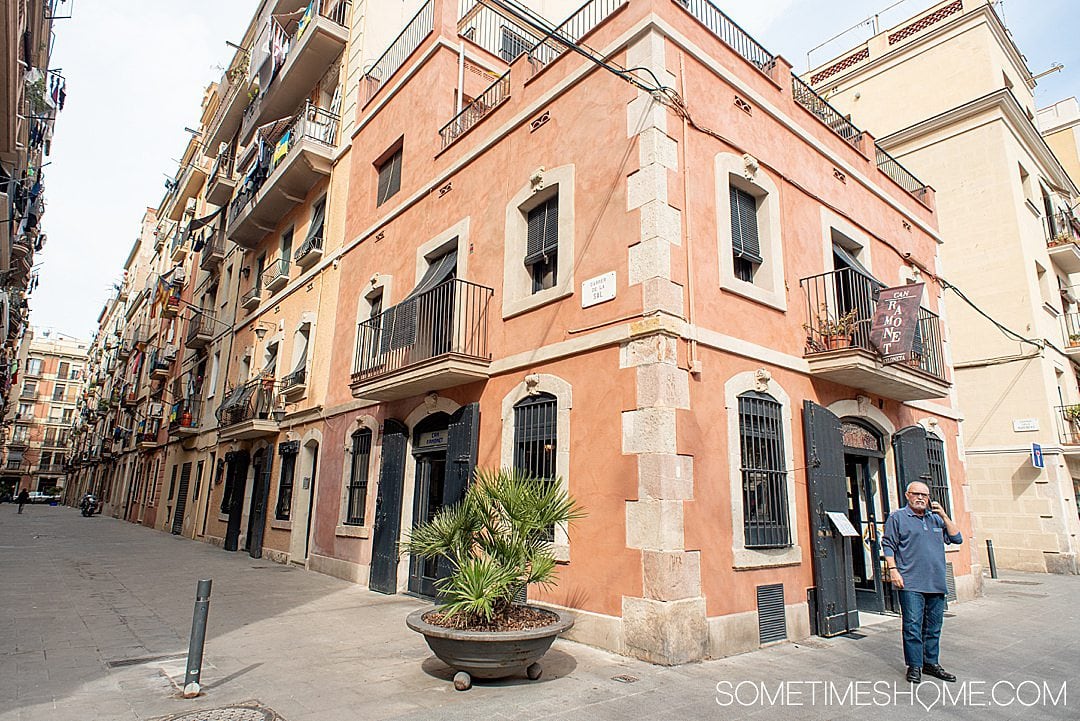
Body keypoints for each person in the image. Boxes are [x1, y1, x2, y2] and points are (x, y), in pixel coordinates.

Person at [882, 481, 963, 684]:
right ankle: (915, 666)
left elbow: (957, 538)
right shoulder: (897, 517)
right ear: (907, 495)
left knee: (934, 625)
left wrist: (944, 515)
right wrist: (893, 571)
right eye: (916, 494)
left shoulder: (935, 518)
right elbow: (888, 544)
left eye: (924, 495)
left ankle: (931, 663)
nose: (920, 498)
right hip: (910, 581)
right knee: (912, 625)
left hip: (936, 581)